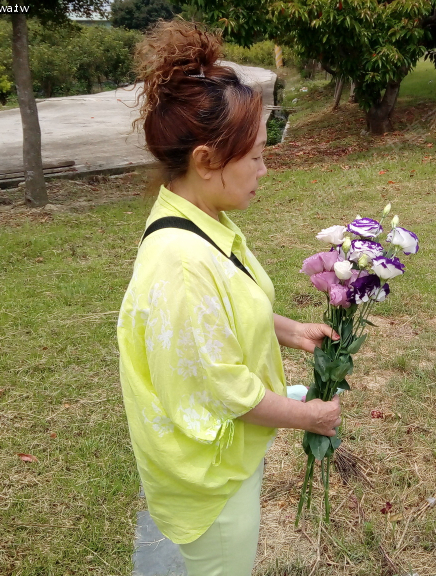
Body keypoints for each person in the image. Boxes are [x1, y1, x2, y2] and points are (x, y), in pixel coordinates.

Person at [117, 19, 342, 576]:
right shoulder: (182, 262)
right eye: (257, 156)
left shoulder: (200, 221)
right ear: (206, 160)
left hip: (227, 458)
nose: (265, 170)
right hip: (209, 480)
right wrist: (310, 416)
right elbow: (230, 393)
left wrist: (290, 330)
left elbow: (224, 313)